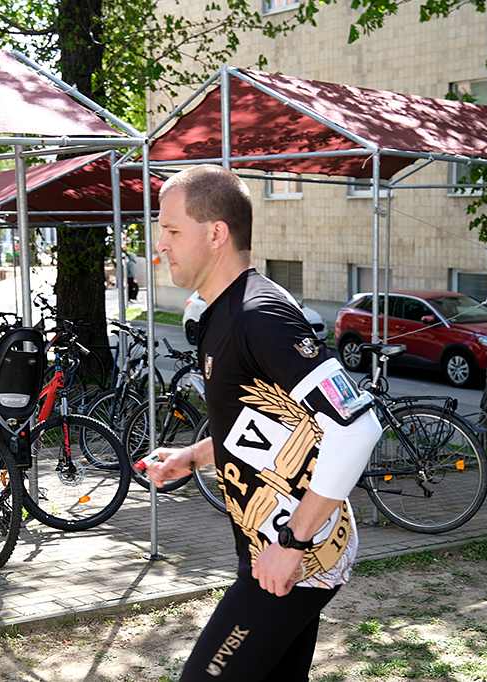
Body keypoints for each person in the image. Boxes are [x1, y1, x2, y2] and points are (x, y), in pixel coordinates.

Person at [145, 164, 382, 681]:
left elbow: (356, 428)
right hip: (269, 551)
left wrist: (293, 543)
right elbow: (269, 421)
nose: (160, 244)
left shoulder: (259, 315)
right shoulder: (219, 314)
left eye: (172, 230)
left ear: (216, 234)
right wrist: (194, 455)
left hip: (300, 554)